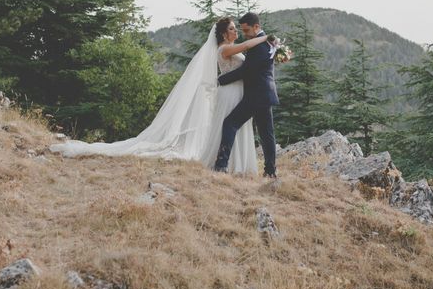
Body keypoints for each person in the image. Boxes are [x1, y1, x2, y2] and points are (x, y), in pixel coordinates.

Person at [49, 17, 268, 174]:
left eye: (235, 29)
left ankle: (237, 165)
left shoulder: (232, 47)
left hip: (238, 92)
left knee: (237, 128)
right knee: (229, 126)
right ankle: (225, 165)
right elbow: (248, 45)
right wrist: (265, 38)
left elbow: (248, 54)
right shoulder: (223, 49)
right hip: (230, 93)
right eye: (231, 29)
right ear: (223, 33)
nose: (235, 32)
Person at [214, 12, 279, 177]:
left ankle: (221, 165)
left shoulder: (260, 44)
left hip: (256, 95)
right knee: (266, 133)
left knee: (230, 123)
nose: (243, 34)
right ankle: (270, 171)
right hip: (264, 93)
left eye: (246, 30)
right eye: (239, 30)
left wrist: (220, 80)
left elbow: (245, 70)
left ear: (256, 27)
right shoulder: (267, 42)